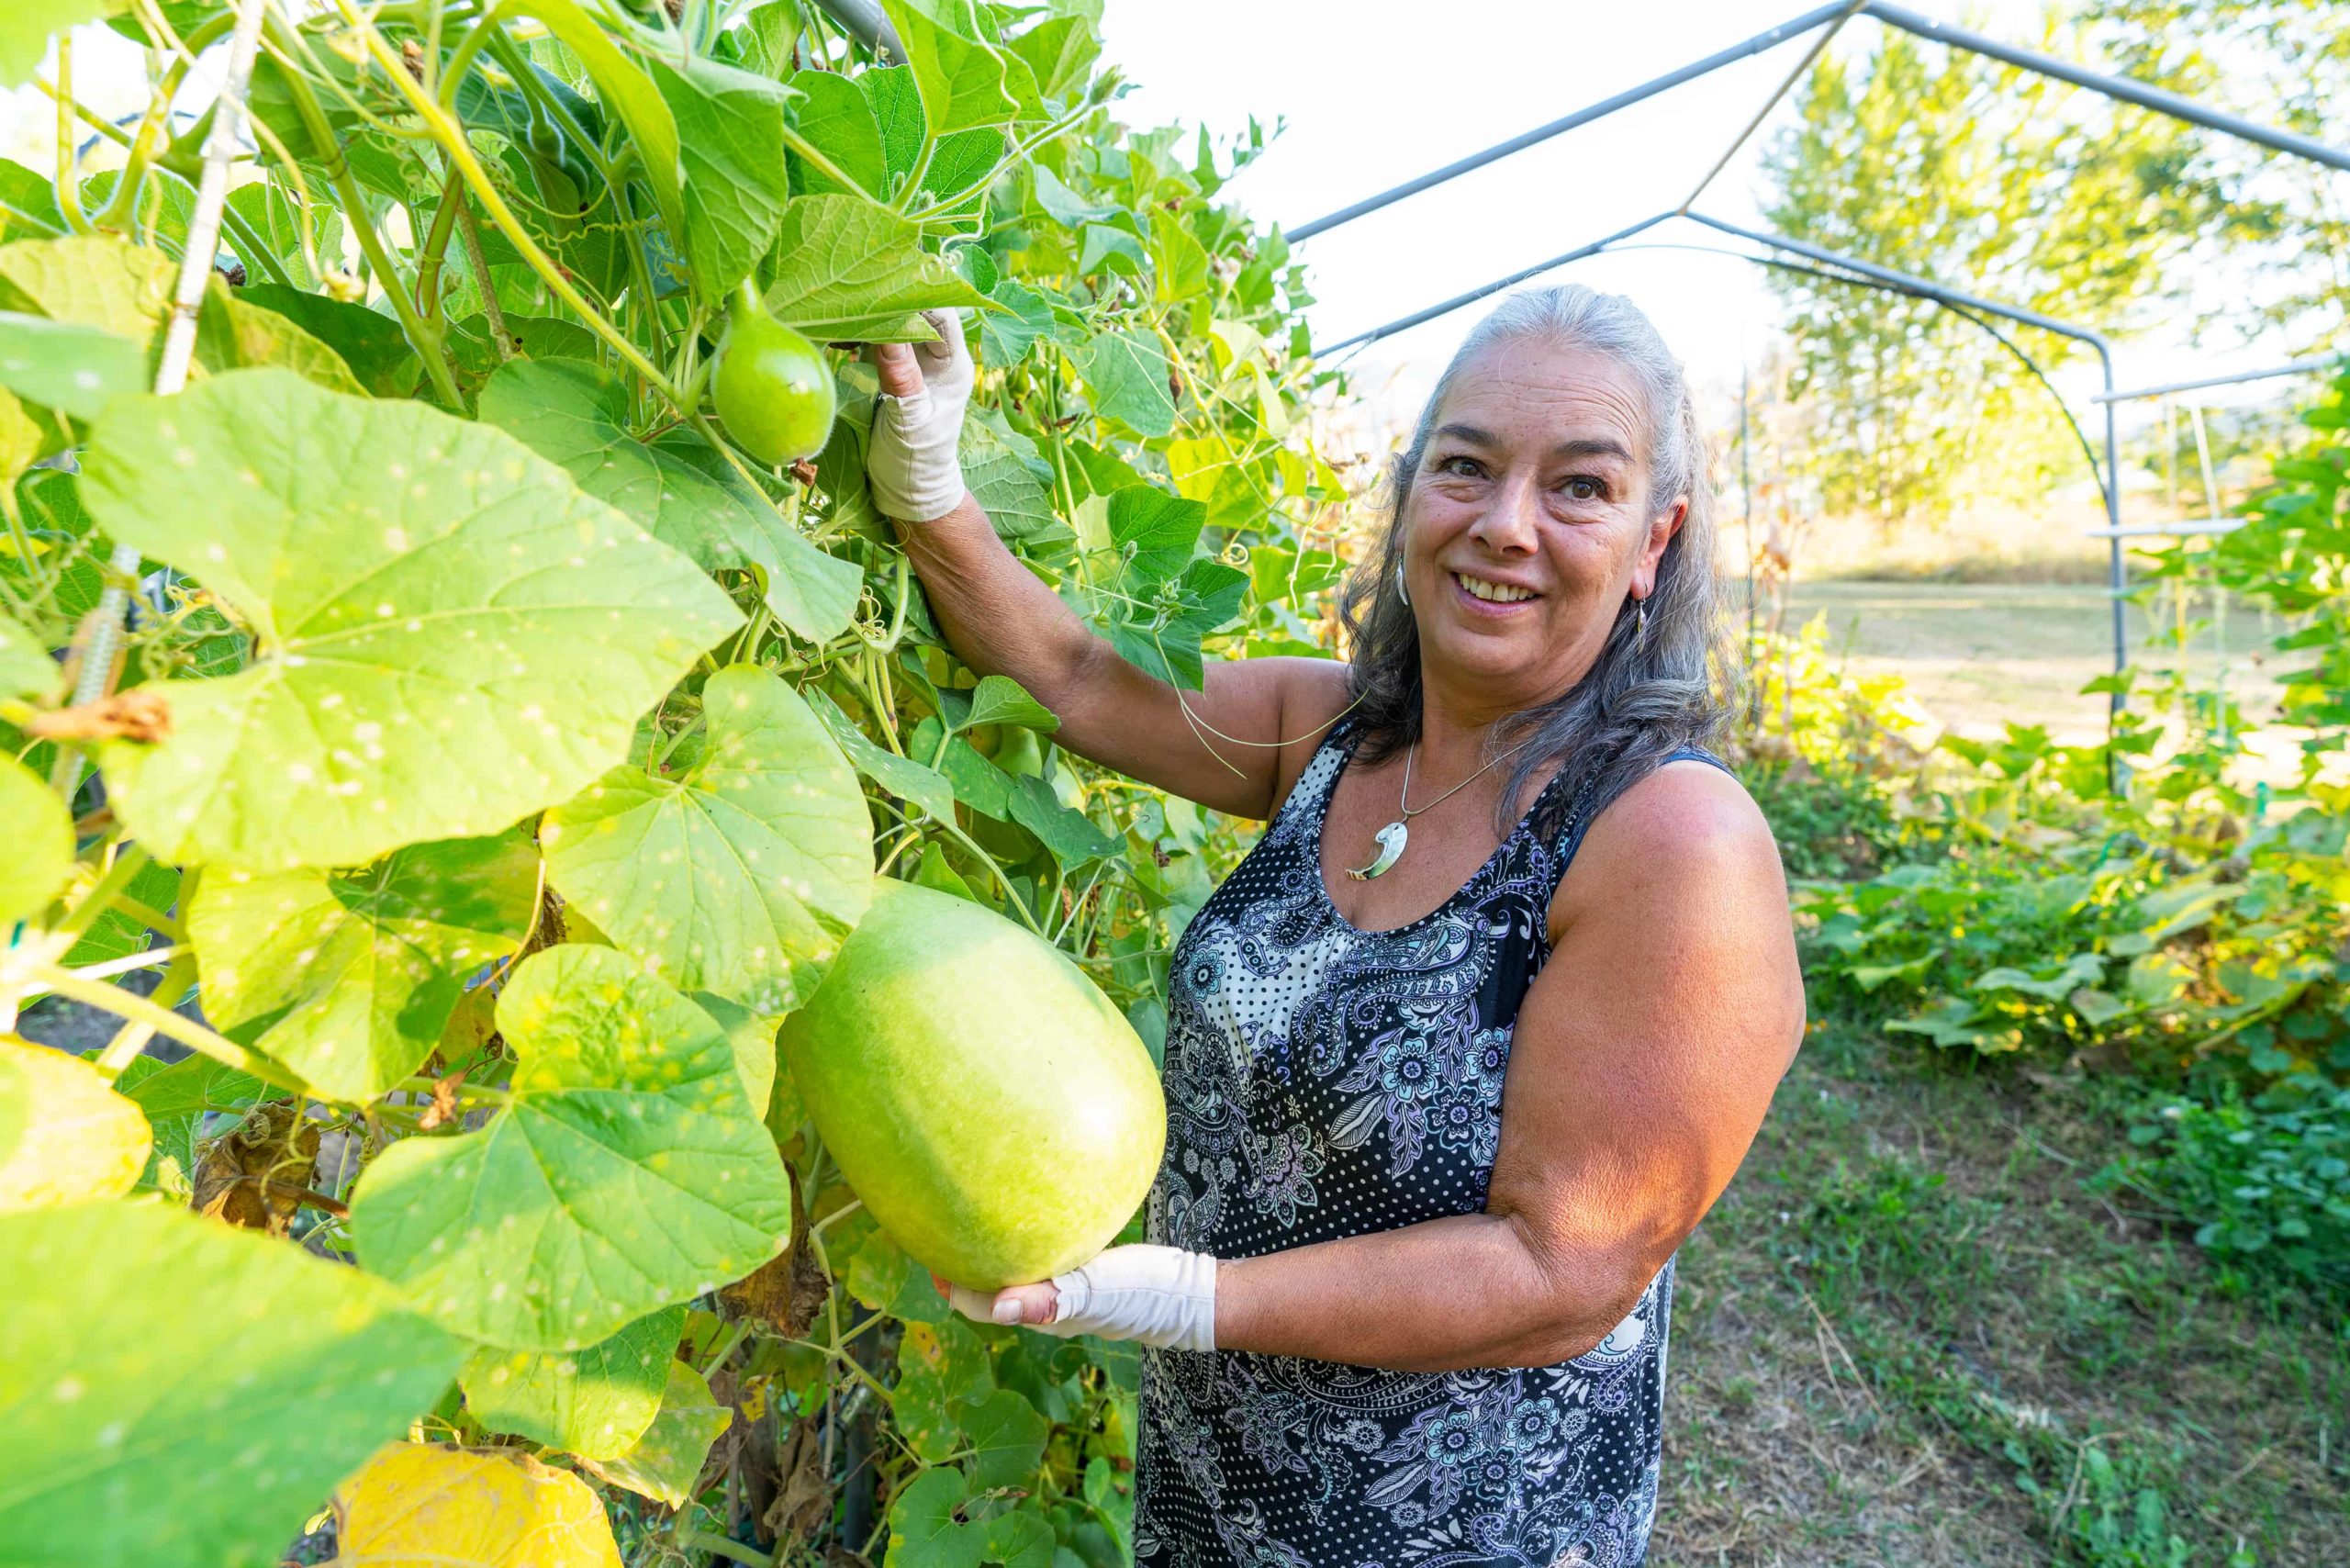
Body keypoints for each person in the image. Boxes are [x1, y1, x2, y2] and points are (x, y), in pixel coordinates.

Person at [867, 284, 1806, 1568]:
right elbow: (1076, 677)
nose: (1506, 525)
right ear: (1414, 492)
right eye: (1465, 468)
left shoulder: (1671, 843)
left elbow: (1562, 1274)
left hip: (1459, 1531)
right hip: (1218, 1483)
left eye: (1579, 488)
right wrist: (928, 484)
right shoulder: (1327, 733)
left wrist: (1197, 1299)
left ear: (1656, 539)